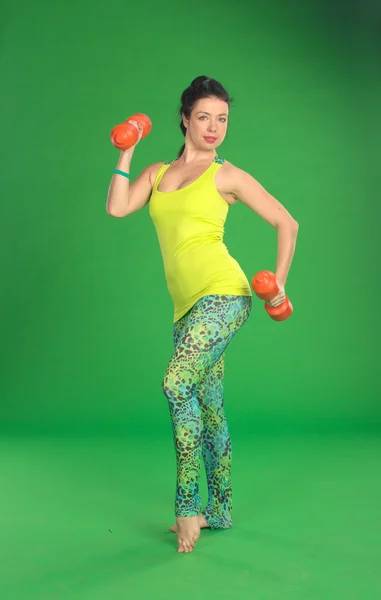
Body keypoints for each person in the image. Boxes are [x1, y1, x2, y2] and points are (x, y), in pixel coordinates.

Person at [106, 76, 299, 554]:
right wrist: (127, 147)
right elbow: (116, 208)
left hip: (225, 295)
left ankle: (189, 504)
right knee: (209, 408)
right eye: (205, 117)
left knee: (176, 384)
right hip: (185, 309)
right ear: (185, 119)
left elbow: (285, 221)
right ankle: (222, 510)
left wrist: (278, 287)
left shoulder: (227, 175)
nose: (214, 127)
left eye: (223, 119)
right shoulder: (156, 174)